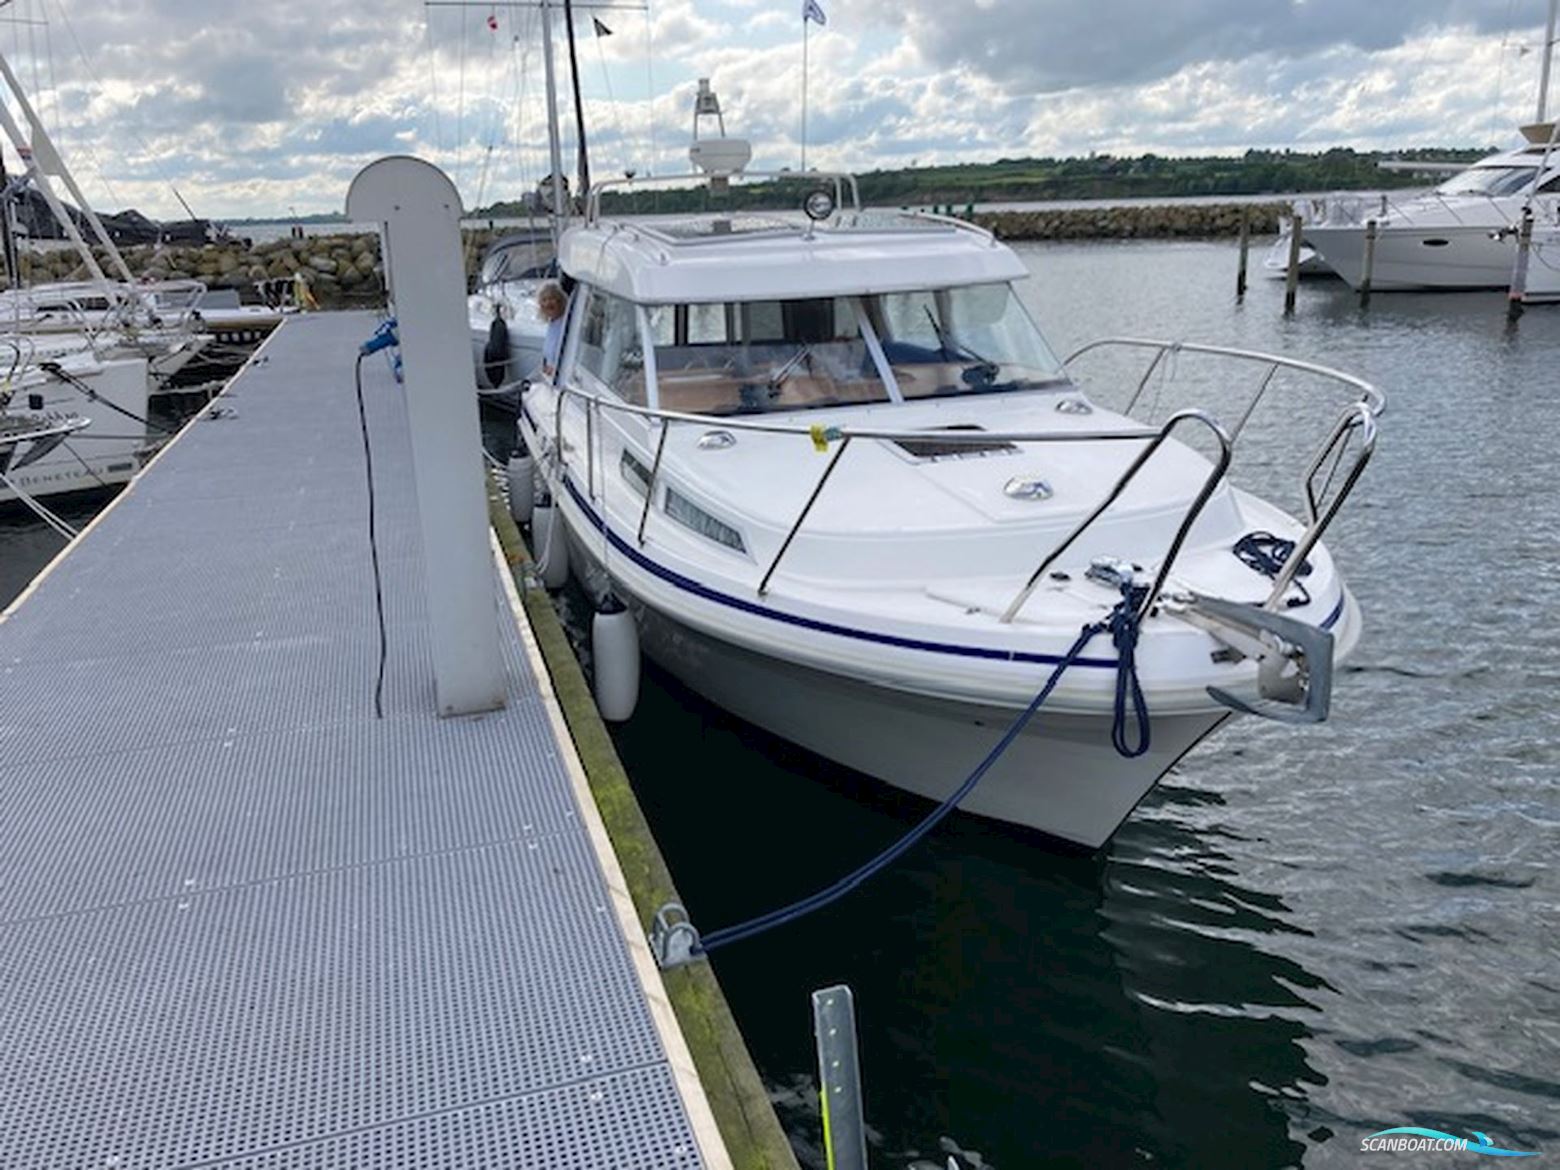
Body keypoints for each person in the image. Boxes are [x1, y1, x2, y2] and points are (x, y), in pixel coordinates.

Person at [538, 282, 568, 376]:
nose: (547, 303)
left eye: (551, 299)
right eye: (544, 300)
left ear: (560, 301)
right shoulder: (552, 323)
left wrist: (554, 369)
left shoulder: (565, 324)